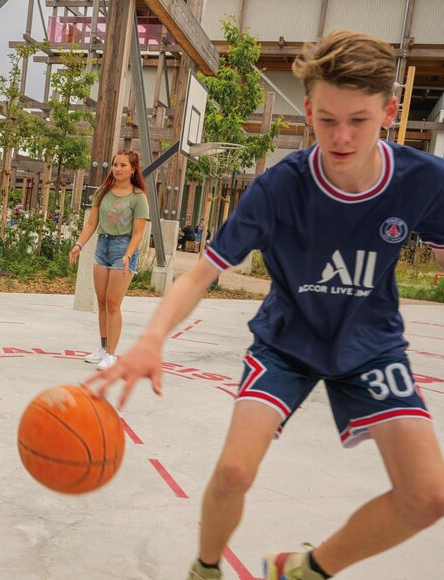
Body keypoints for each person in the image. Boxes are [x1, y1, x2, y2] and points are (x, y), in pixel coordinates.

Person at [88, 30, 444, 580]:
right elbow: (200, 274)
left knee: (428, 495)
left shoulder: (422, 180)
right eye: (327, 119)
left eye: (359, 120)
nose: (342, 136)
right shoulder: (280, 187)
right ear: (309, 111)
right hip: (286, 343)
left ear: (389, 112)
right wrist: (151, 339)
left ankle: (304, 569)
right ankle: (206, 568)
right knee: (234, 471)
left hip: (371, 345)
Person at [69, 150, 149, 371]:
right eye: (115, 164)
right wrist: (79, 245)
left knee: (114, 303)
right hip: (102, 247)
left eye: (123, 165)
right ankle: (103, 348)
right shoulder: (102, 192)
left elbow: (138, 233)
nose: (117, 169)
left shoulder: (138, 197)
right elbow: (91, 224)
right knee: (103, 302)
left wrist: (128, 254)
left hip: (123, 249)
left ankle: (112, 355)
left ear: (133, 169)